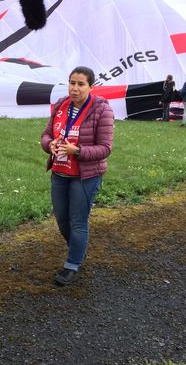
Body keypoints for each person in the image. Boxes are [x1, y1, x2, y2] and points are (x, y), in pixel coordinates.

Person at [40, 66, 114, 286]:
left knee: (77, 221)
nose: (75, 88)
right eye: (72, 83)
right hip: (60, 172)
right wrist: (49, 144)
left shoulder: (102, 109)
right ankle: (78, 250)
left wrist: (78, 151)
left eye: (81, 84)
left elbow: (105, 148)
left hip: (85, 175)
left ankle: (72, 263)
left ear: (91, 86)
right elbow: (46, 134)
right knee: (62, 220)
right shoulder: (61, 105)